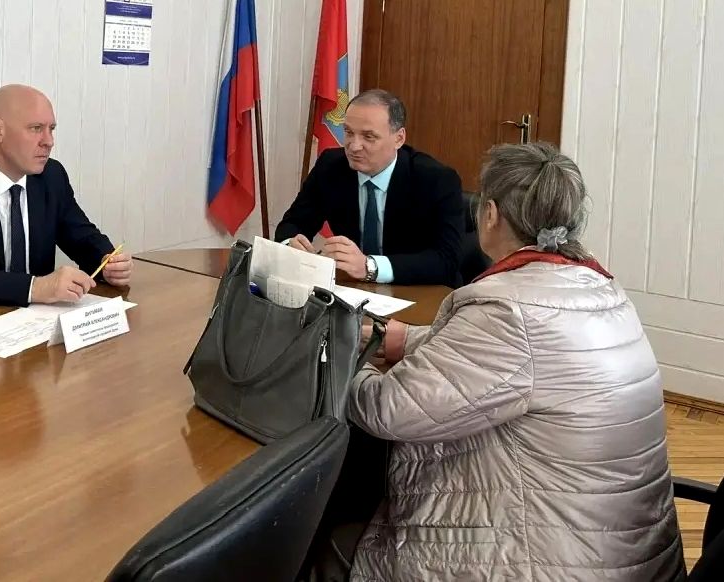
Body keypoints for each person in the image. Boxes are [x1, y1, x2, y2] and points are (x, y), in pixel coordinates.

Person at [346, 143, 683, 581]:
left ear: (489, 214)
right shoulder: (596, 287)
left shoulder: (506, 309)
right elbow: (526, 356)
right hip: (622, 548)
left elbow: (388, 409)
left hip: (546, 557)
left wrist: (347, 357)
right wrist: (406, 339)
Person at [0, 84, 132, 307]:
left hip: (36, 320)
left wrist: (107, 262)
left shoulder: (51, 176)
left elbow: (82, 237)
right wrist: (34, 288)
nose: (49, 141)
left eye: (51, 129)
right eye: (36, 128)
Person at [275, 89, 466, 287]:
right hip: (354, 289)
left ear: (399, 138)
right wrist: (291, 247)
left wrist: (370, 266)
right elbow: (293, 224)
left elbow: (447, 260)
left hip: (420, 291)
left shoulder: (436, 179)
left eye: (368, 136)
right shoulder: (331, 166)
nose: (354, 146)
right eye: (349, 132)